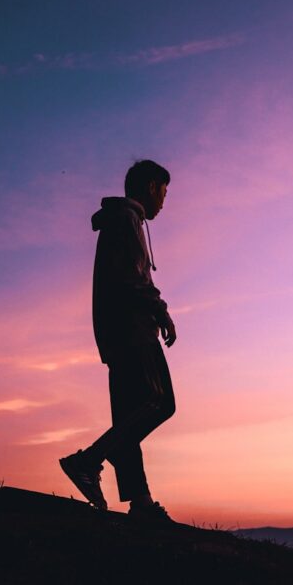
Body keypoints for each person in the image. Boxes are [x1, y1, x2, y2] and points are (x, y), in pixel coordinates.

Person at [59, 159, 178, 523]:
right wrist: (160, 312)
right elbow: (133, 278)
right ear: (150, 187)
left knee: (129, 416)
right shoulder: (127, 220)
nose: (164, 201)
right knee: (160, 402)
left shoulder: (121, 221)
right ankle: (89, 460)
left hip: (116, 333)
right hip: (133, 330)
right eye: (164, 192)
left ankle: (140, 502)